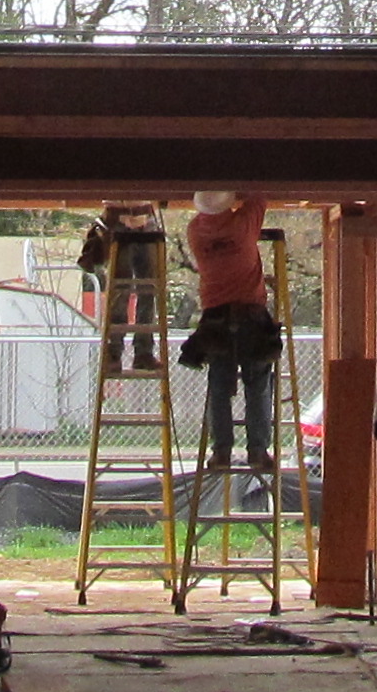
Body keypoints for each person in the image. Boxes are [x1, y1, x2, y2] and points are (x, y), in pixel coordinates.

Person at [179, 191, 280, 507]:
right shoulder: (241, 225)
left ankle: (221, 452)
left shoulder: (195, 232)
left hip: (215, 321)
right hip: (251, 316)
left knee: (220, 388)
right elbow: (260, 197)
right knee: (258, 385)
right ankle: (258, 452)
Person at [82, 201, 164, 376]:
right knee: (120, 290)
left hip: (143, 217)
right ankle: (114, 353)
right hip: (118, 219)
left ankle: (143, 353)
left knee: (148, 290)